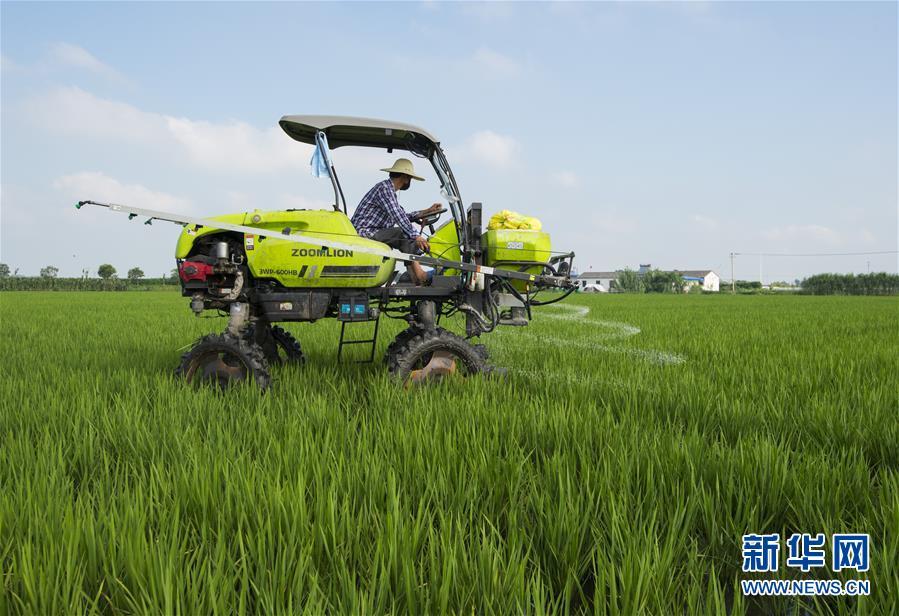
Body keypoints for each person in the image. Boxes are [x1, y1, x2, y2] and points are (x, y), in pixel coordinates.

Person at [351, 158, 442, 285]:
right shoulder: (385, 189)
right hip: (365, 233)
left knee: (404, 233)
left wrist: (426, 211)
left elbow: (402, 215)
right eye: (409, 178)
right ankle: (419, 275)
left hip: (373, 231)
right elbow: (398, 216)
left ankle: (414, 276)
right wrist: (416, 236)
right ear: (405, 177)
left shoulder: (388, 190)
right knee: (402, 233)